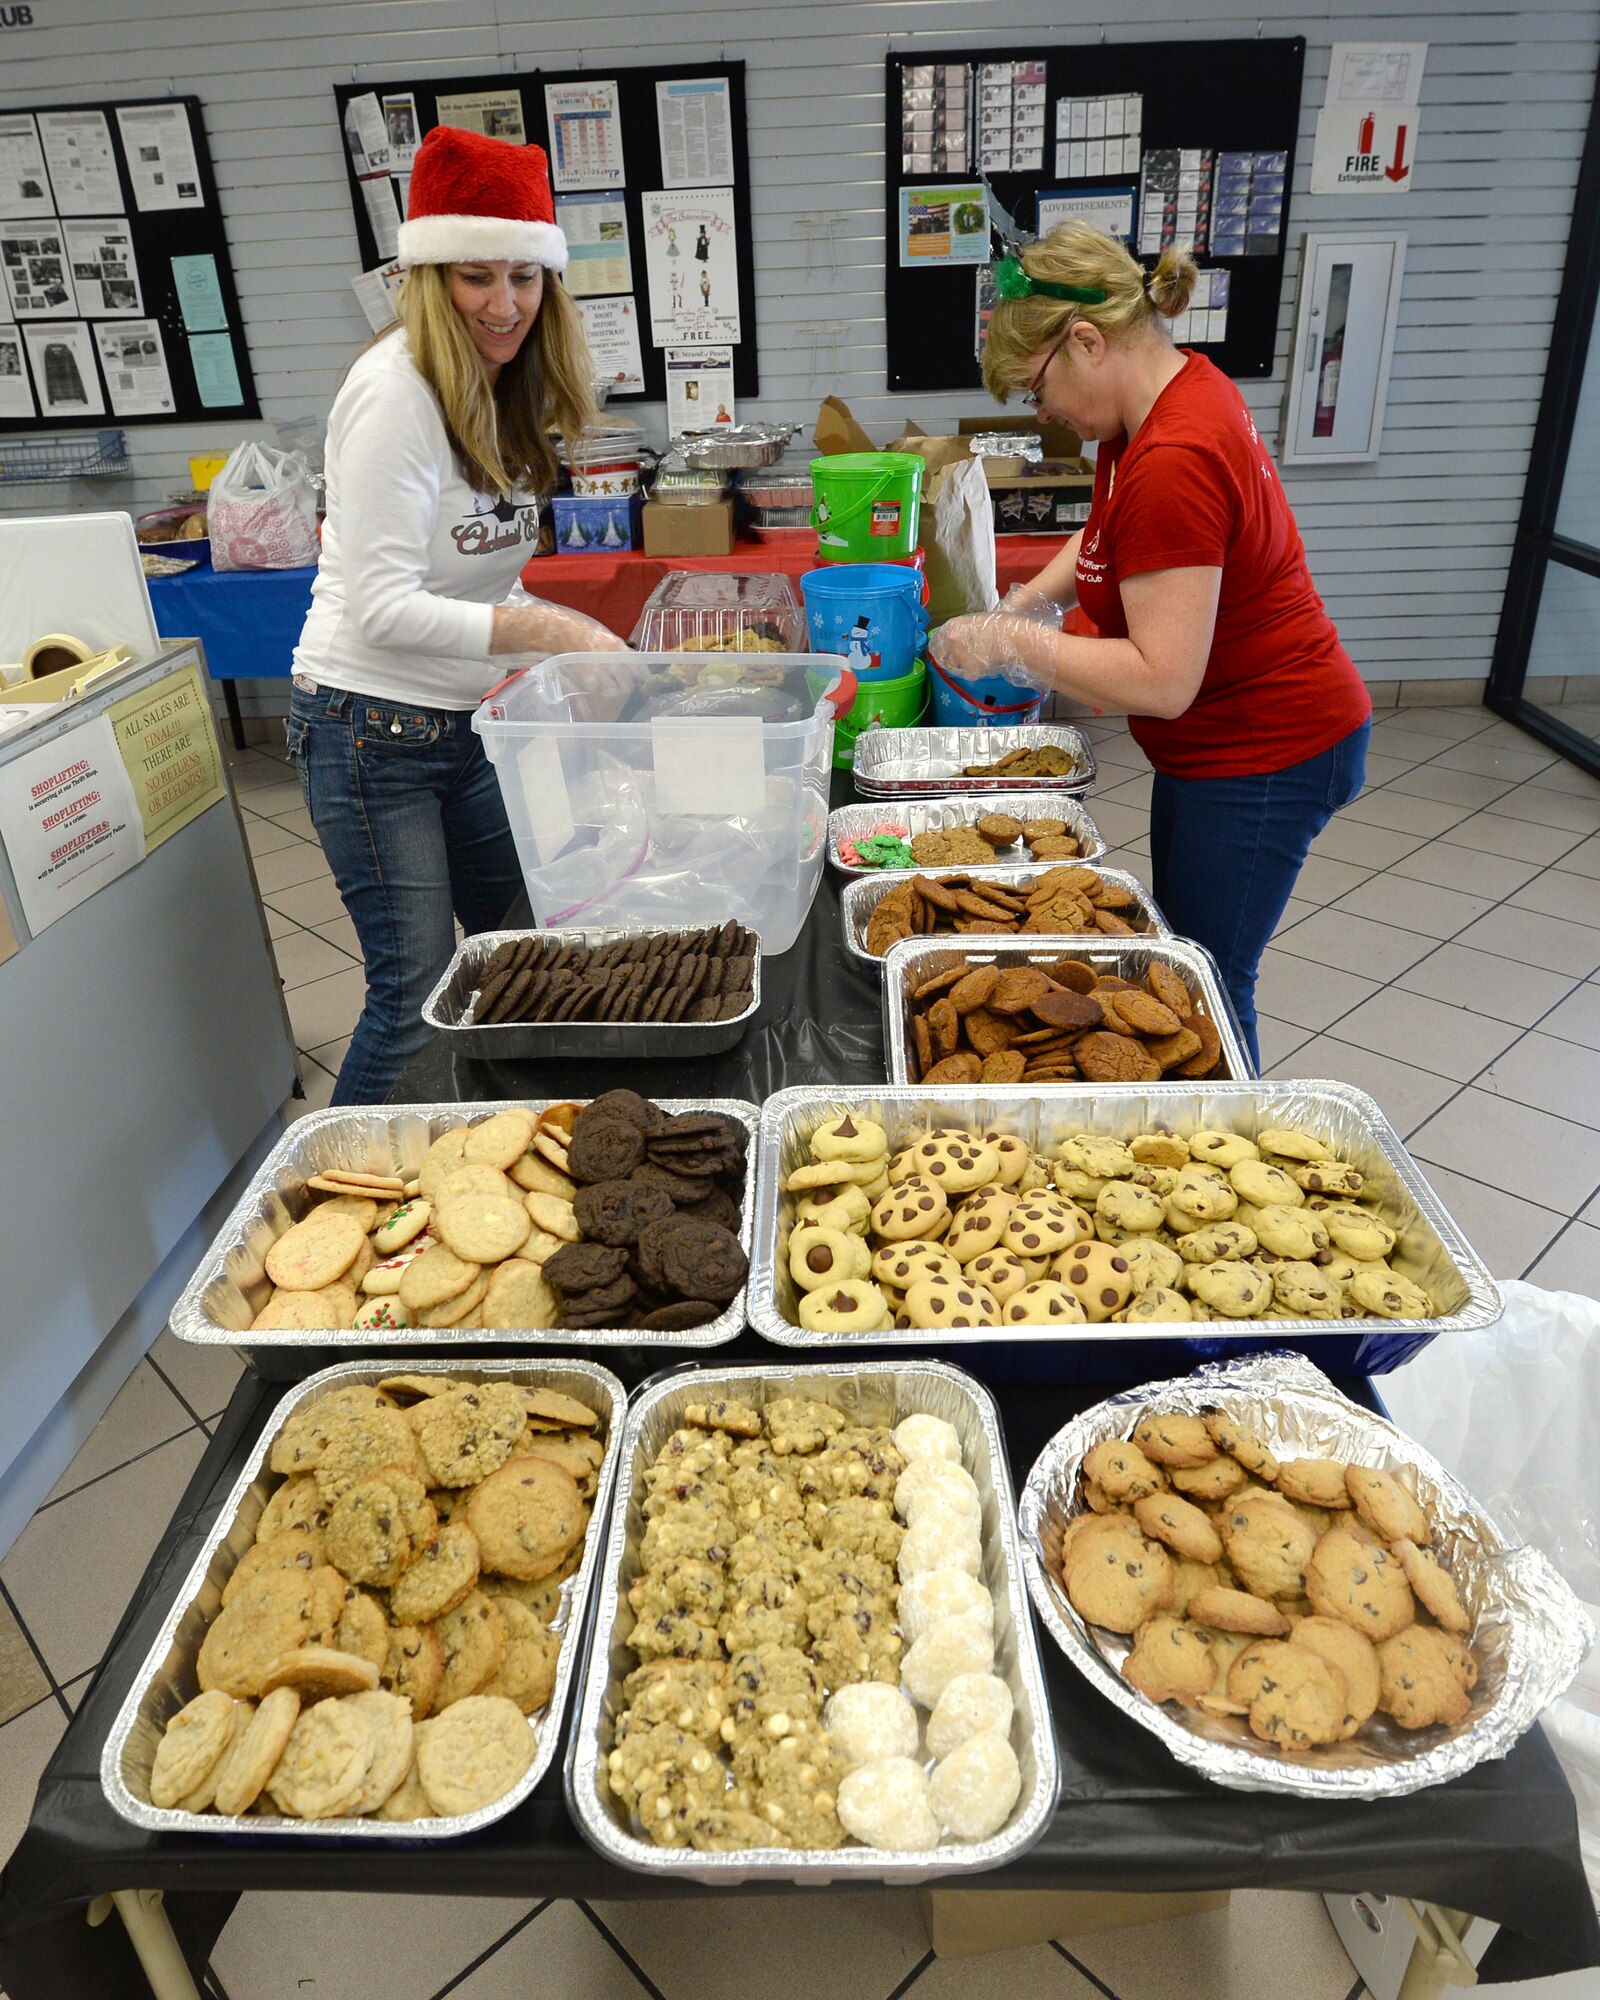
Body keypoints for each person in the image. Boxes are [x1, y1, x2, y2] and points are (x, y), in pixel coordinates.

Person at [932, 223, 1372, 1063]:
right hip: (1217, 744)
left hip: (1269, 746)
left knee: (1203, 984)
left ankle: (1228, 1144)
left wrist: (1012, 646)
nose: (1044, 414)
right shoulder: (1154, 408)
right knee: (1174, 954)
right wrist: (1024, 602)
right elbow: (1103, 534)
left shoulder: (1177, 450)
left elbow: (1163, 678)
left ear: (1087, 341)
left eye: (1036, 389)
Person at [287, 124, 627, 1105]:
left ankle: (500, 1135)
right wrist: (547, 632)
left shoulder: (501, 389)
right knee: (413, 997)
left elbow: (481, 581)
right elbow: (385, 608)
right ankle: (327, 1210)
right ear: (428, 278)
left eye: (524, 278)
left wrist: (563, 644)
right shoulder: (396, 392)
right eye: (476, 277)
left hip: (463, 725)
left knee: (518, 952)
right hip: (367, 732)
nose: (505, 303)